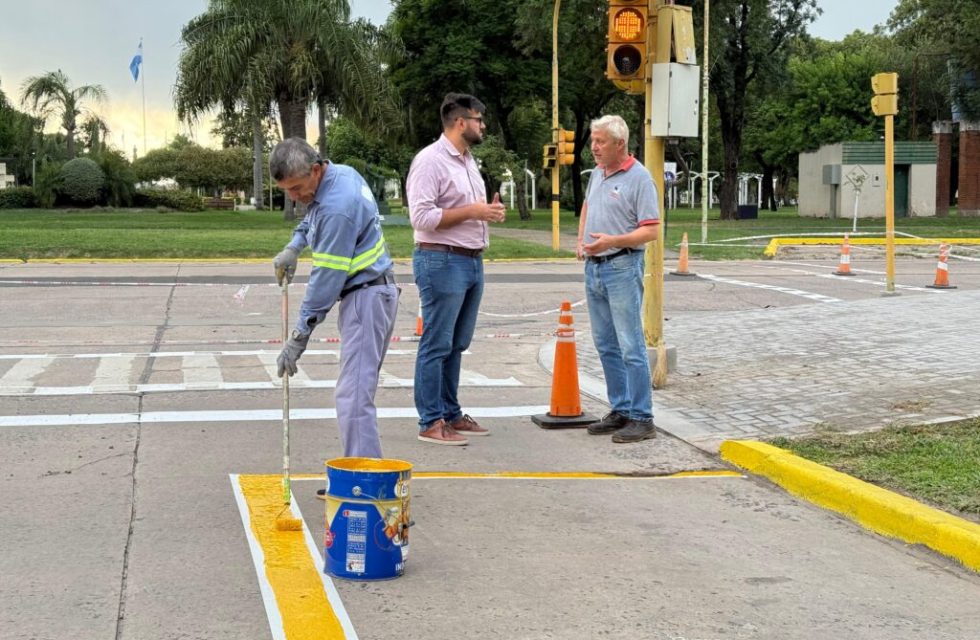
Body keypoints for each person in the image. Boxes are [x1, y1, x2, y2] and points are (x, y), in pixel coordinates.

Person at [270, 137, 398, 464]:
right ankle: (360, 471)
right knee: (355, 392)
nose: (295, 197)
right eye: (288, 191)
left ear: (315, 169)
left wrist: (299, 336)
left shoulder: (336, 209)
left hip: (366, 298)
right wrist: (295, 246)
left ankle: (363, 480)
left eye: (297, 188)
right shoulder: (340, 174)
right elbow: (311, 218)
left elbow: (325, 282)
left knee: (353, 396)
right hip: (371, 294)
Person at [406, 93, 506, 446]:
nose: (483, 126)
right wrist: (473, 212)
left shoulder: (467, 161)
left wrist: (488, 212)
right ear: (461, 122)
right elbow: (421, 217)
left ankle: (450, 412)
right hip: (442, 259)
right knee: (436, 343)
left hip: (470, 260)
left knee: (456, 344)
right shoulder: (430, 161)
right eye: (479, 119)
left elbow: (469, 208)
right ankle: (430, 421)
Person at [576, 115, 659, 443]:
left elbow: (650, 230)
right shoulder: (597, 173)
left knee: (630, 345)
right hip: (594, 267)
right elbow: (587, 205)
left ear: (620, 144)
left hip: (622, 266)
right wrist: (581, 238)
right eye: (593, 141)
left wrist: (611, 241)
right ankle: (621, 409)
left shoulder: (640, 179)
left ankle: (642, 417)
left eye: (600, 142)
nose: (593, 147)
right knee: (606, 344)